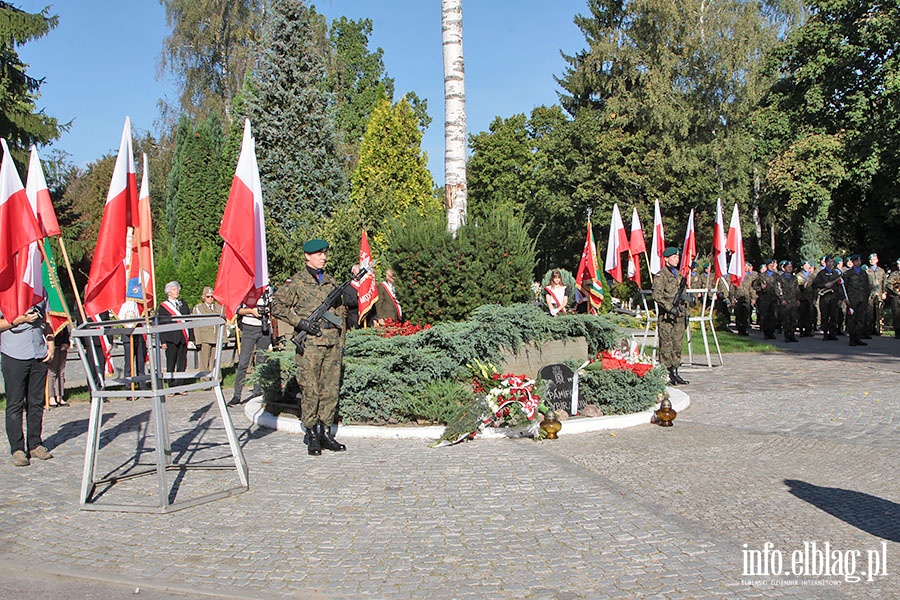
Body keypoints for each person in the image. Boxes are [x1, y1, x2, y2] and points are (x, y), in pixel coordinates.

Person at [271, 238, 348, 456]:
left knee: (330, 390)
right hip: (310, 346)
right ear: (307, 256)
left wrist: (341, 343)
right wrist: (299, 322)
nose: (323, 257)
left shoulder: (332, 283)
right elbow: (276, 306)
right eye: (319, 254)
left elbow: (340, 314)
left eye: (324, 254)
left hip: (331, 343)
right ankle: (312, 434)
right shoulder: (296, 281)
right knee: (311, 390)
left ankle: (326, 433)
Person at [1, 299, 55, 467]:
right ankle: (17, 449)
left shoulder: (39, 288)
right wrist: (19, 320)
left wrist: (51, 344)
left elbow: (47, 319)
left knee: (36, 402)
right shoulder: (5, 290)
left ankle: (35, 444)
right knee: (15, 404)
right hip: (14, 354)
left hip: (38, 353)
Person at [229, 286, 272, 406]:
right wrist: (251, 311)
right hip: (249, 327)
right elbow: (237, 309)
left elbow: (274, 307)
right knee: (243, 362)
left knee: (261, 362)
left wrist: (268, 310)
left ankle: (258, 392)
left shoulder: (268, 291)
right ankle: (237, 395)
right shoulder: (246, 289)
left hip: (264, 328)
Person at [652, 247, 688, 386]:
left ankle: (675, 371)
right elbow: (656, 295)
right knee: (666, 345)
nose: (676, 259)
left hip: (679, 315)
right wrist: (669, 308)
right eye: (673, 257)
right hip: (667, 317)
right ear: (666, 259)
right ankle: (665, 373)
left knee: (677, 345)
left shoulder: (678, 275)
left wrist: (686, 313)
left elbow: (683, 295)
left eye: (677, 257)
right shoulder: (661, 275)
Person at [157, 281, 192, 374]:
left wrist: (191, 338)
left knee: (182, 363)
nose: (176, 291)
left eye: (177, 289)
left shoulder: (183, 304)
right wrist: (163, 341)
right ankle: (171, 384)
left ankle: (180, 384)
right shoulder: (163, 306)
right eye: (174, 290)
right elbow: (161, 324)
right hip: (171, 338)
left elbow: (189, 320)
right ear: (168, 292)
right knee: (171, 363)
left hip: (183, 337)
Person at [192, 286, 223, 372]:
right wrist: (198, 340)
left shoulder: (219, 308)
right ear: (203, 297)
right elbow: (196, 325)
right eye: (208, 296)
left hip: (216, 337)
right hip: (204, 338)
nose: (210, 298)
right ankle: (205, 382)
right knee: (204, 362)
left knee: (215, 361)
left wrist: (224, 339)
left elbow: (222, 324)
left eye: (212, 296)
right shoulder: (198, 309)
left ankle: (216, 380)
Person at [842, 253, 870, 347]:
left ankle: (858, 337)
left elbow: (867, 286)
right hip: (852, 299)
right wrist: (845, 298)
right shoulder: (848, 274)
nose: (858, 262)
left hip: (862, 299)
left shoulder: (863, 273)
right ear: (853, 262)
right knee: (852, 319)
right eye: (856, 261)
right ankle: (852, 338)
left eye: (859, 261)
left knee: (860, 319)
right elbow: (843, 287)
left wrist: (866, 297)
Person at [813, 256, 842, 341]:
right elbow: (815, 284)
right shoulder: (821, 273)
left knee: (834, 315)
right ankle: (825, 333)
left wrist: (841, 298)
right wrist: (824, 285)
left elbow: (840, 286)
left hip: (834, 297)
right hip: (825, 297)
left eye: (832, 262)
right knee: (825, 315)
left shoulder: (836, 273)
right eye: (828, 262)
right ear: (825, 263)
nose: (830, 264)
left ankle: (833, 333)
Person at [752, 259, 779, 339]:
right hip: (764, 299)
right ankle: (766, 333)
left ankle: (772, 332)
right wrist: (761, 288)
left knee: (773, 316)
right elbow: (754, 286)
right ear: (767, 266)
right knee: (765, 316)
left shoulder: (776, 276)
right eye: (770, 265)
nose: (772, 267)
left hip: (774, 298)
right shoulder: (761, 276)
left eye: (772, 265)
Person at [46, 323, 70, 407]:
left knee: (61, 372)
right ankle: (51, 396)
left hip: (62, 346)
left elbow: (65, 329)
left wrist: (66, 342)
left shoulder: (61, 314)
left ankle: (59, 396)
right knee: (52, 372)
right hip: (53, 346)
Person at [777, 260, 800, 342]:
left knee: (793, 319)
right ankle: (787, 336)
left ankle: (792, 335)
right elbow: (778, 290)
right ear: (784, 268)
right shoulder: (780, 278)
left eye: (791, 267)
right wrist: (782, 299)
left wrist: (798, 299)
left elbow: (797, 290)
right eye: (788, 267)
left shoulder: (794, 278)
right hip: (785, 302)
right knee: (786, 319)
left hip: (793, 301)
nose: (790, 269)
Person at [731, 260, 755, 336]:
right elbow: (732, 289)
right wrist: (732, 298)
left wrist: (754, 297)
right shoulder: (736, 277)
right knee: (738, 314)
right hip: (738, 299)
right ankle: (739, 329)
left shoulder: (748, 278)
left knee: (746, 315)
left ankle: (744, 329)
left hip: (746, 299)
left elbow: (751, 288)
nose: (746, 268)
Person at [866, 253, 886, 336]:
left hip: (879, 293)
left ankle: (878, 330)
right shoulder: (867, 271)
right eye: (871, 259)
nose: (872, 261)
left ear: (877, 260)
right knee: (869, 312)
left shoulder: (881, 271)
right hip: (870, 294)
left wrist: (884, 292)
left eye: (874, 259)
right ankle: (869, 330)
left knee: (879, 313)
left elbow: (884, 282)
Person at [343, 265, 361, 330]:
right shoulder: (347, 288)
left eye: (358, 274)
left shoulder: (365, 287)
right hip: (354, 318)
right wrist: (359, 299)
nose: (356, 276)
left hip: (366, 319)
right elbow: (347, 302)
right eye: (355, 274)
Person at [886, 257, 900, 338]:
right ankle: (898, 332)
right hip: (896, 298)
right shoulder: (894, 274)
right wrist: (897, 292)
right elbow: (889, 284)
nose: (899, 265)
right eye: (898, 264)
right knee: (897, 315)